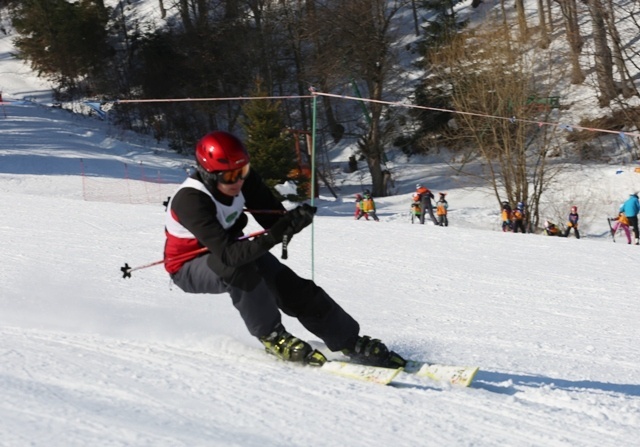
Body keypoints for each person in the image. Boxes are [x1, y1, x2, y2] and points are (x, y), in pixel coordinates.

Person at [164, 131, 405, 368]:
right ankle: (272, 336)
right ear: (208, 174)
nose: (238, 181)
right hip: (188, 266)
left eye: (242, 172)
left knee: (289, 285)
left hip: (233, 253)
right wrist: (277, 233)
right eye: (229, 177)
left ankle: (347, 339)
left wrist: (294, 220)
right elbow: (230, 256)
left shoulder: (243, 182)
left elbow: (273, 221)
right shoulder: (191, 200)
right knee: (241, 270)